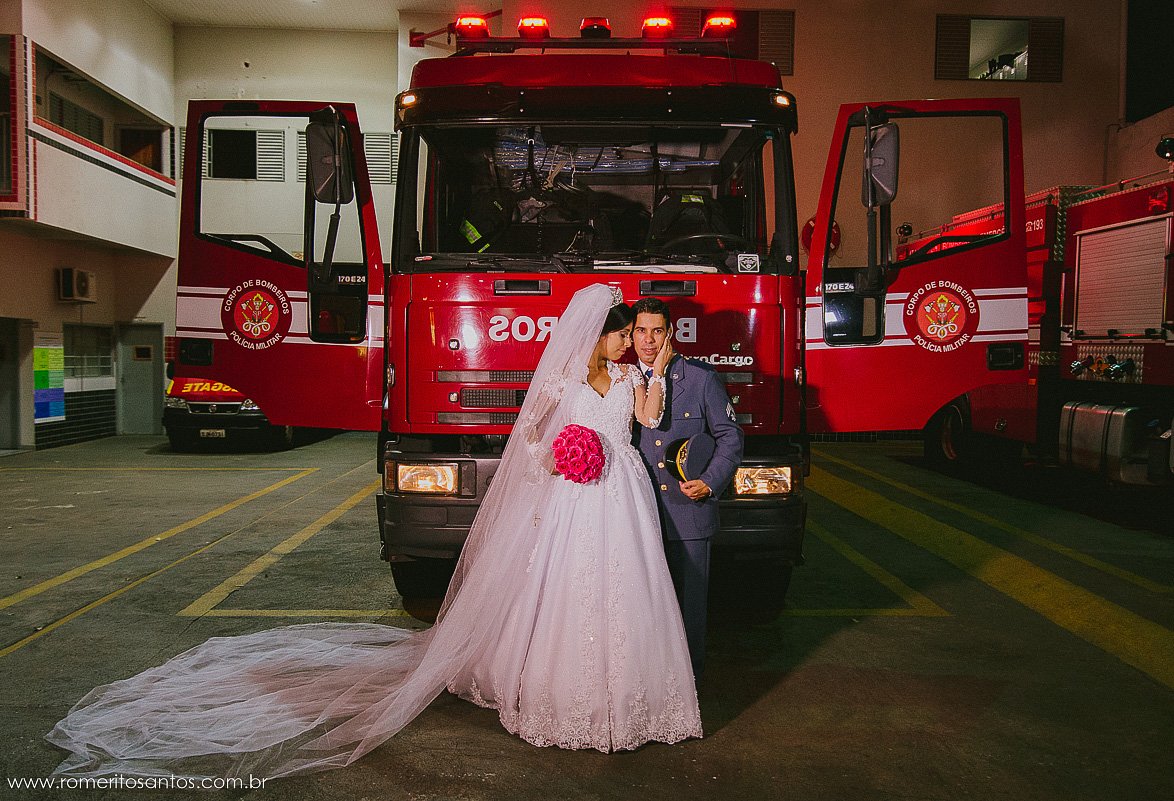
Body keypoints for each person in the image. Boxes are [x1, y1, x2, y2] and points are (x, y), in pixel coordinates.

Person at [47, 284, 701, 782]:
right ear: (597, 335)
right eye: (622, 336)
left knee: (625, 593)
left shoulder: (634, 378)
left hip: (621, 493)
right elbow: (530, 434)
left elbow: (647, 418)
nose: (628, 344)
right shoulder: (563, 377)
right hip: (574, 496)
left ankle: (632, 702)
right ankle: (570, 699)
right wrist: (558, 453)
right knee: (571, 596)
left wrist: (659, 367)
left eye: (636, 337)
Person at [629, 297, 745, 682]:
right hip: (637, 511)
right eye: (641, 331)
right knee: (641, 604)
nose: (648, 340)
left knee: (689, 604)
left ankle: (688, 681)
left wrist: (711, 482)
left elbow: (730, 437)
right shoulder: (622, 382)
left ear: (671, 332)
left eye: (657, 331)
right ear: (631, 336)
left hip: (688, 511)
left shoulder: (700, 378)